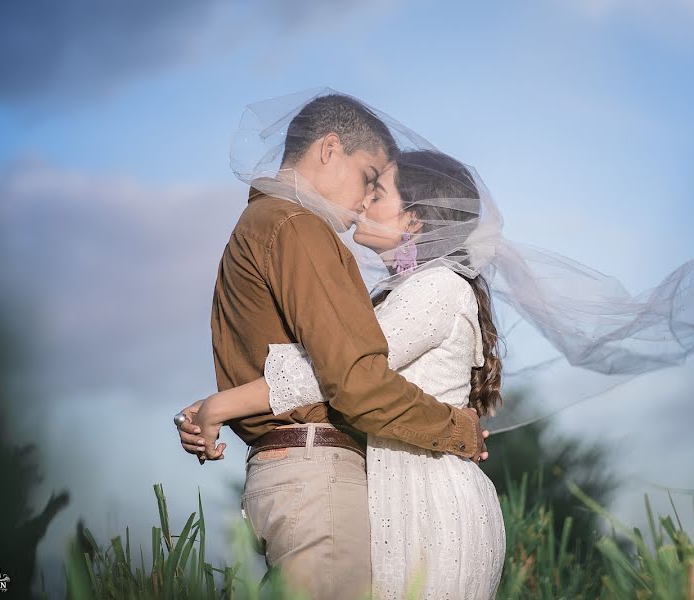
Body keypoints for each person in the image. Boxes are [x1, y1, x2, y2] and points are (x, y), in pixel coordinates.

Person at [176, 95, 487, 600]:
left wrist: (220, 404)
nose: (365, 199)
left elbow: (322, 367)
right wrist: (456, 428)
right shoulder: (296, 225)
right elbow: (353, 378)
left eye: (377, 189)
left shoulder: (261, 225)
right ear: (329, 148)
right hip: (314, 478)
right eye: (369, 177)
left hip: (293, 474)